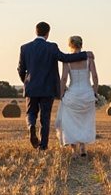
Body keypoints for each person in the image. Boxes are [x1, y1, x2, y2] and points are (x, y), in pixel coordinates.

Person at [17, 21, 93, 151]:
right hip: (47, 89)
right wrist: (84, 54)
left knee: (31, 113)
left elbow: (20, 69)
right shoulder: (51, 47)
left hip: (32, 88)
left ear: (36, 31)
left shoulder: (25, 48)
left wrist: (27, 81)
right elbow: (64, 58)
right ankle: (43, 146)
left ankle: (31, 126)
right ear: (48, 33)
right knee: (45, 117)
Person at [54, 35, 98, 157]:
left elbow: (63, 79)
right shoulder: (89, 59)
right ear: (81, 44)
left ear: (70, 45)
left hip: (73, 94)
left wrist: (61, 94)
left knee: (70, 122)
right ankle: (83, 147)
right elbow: (94, 77)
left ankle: (74, 150)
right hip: (87, 93)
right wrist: (94, 92)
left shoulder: (67, 60)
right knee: (85, 121)